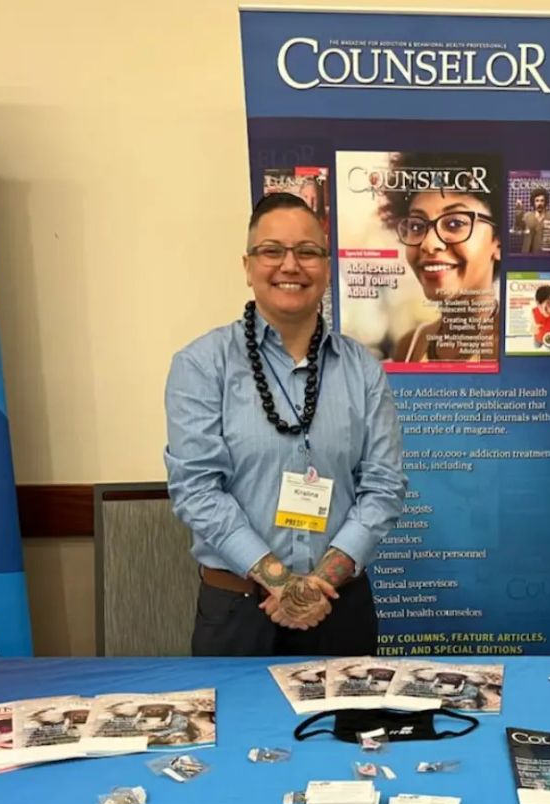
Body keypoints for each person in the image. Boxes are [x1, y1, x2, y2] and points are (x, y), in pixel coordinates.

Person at [165, 192, 406, 655]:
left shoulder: (363, 370)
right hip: (237, 611)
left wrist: (316, 586)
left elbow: (384, 486)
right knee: (239, 729)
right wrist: (279, 581)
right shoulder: (200, 365)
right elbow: (196, 490)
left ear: (327, 266)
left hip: (340, 608)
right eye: (272, 251)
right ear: (248, 264)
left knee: (350, 729)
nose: (290, 266)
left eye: (307, 252)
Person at [385, 154, 502, 363]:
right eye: (416, 226)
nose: (429, 244)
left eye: (455, 224)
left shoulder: (513, 349)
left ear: (499, 241)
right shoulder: (409, 347)